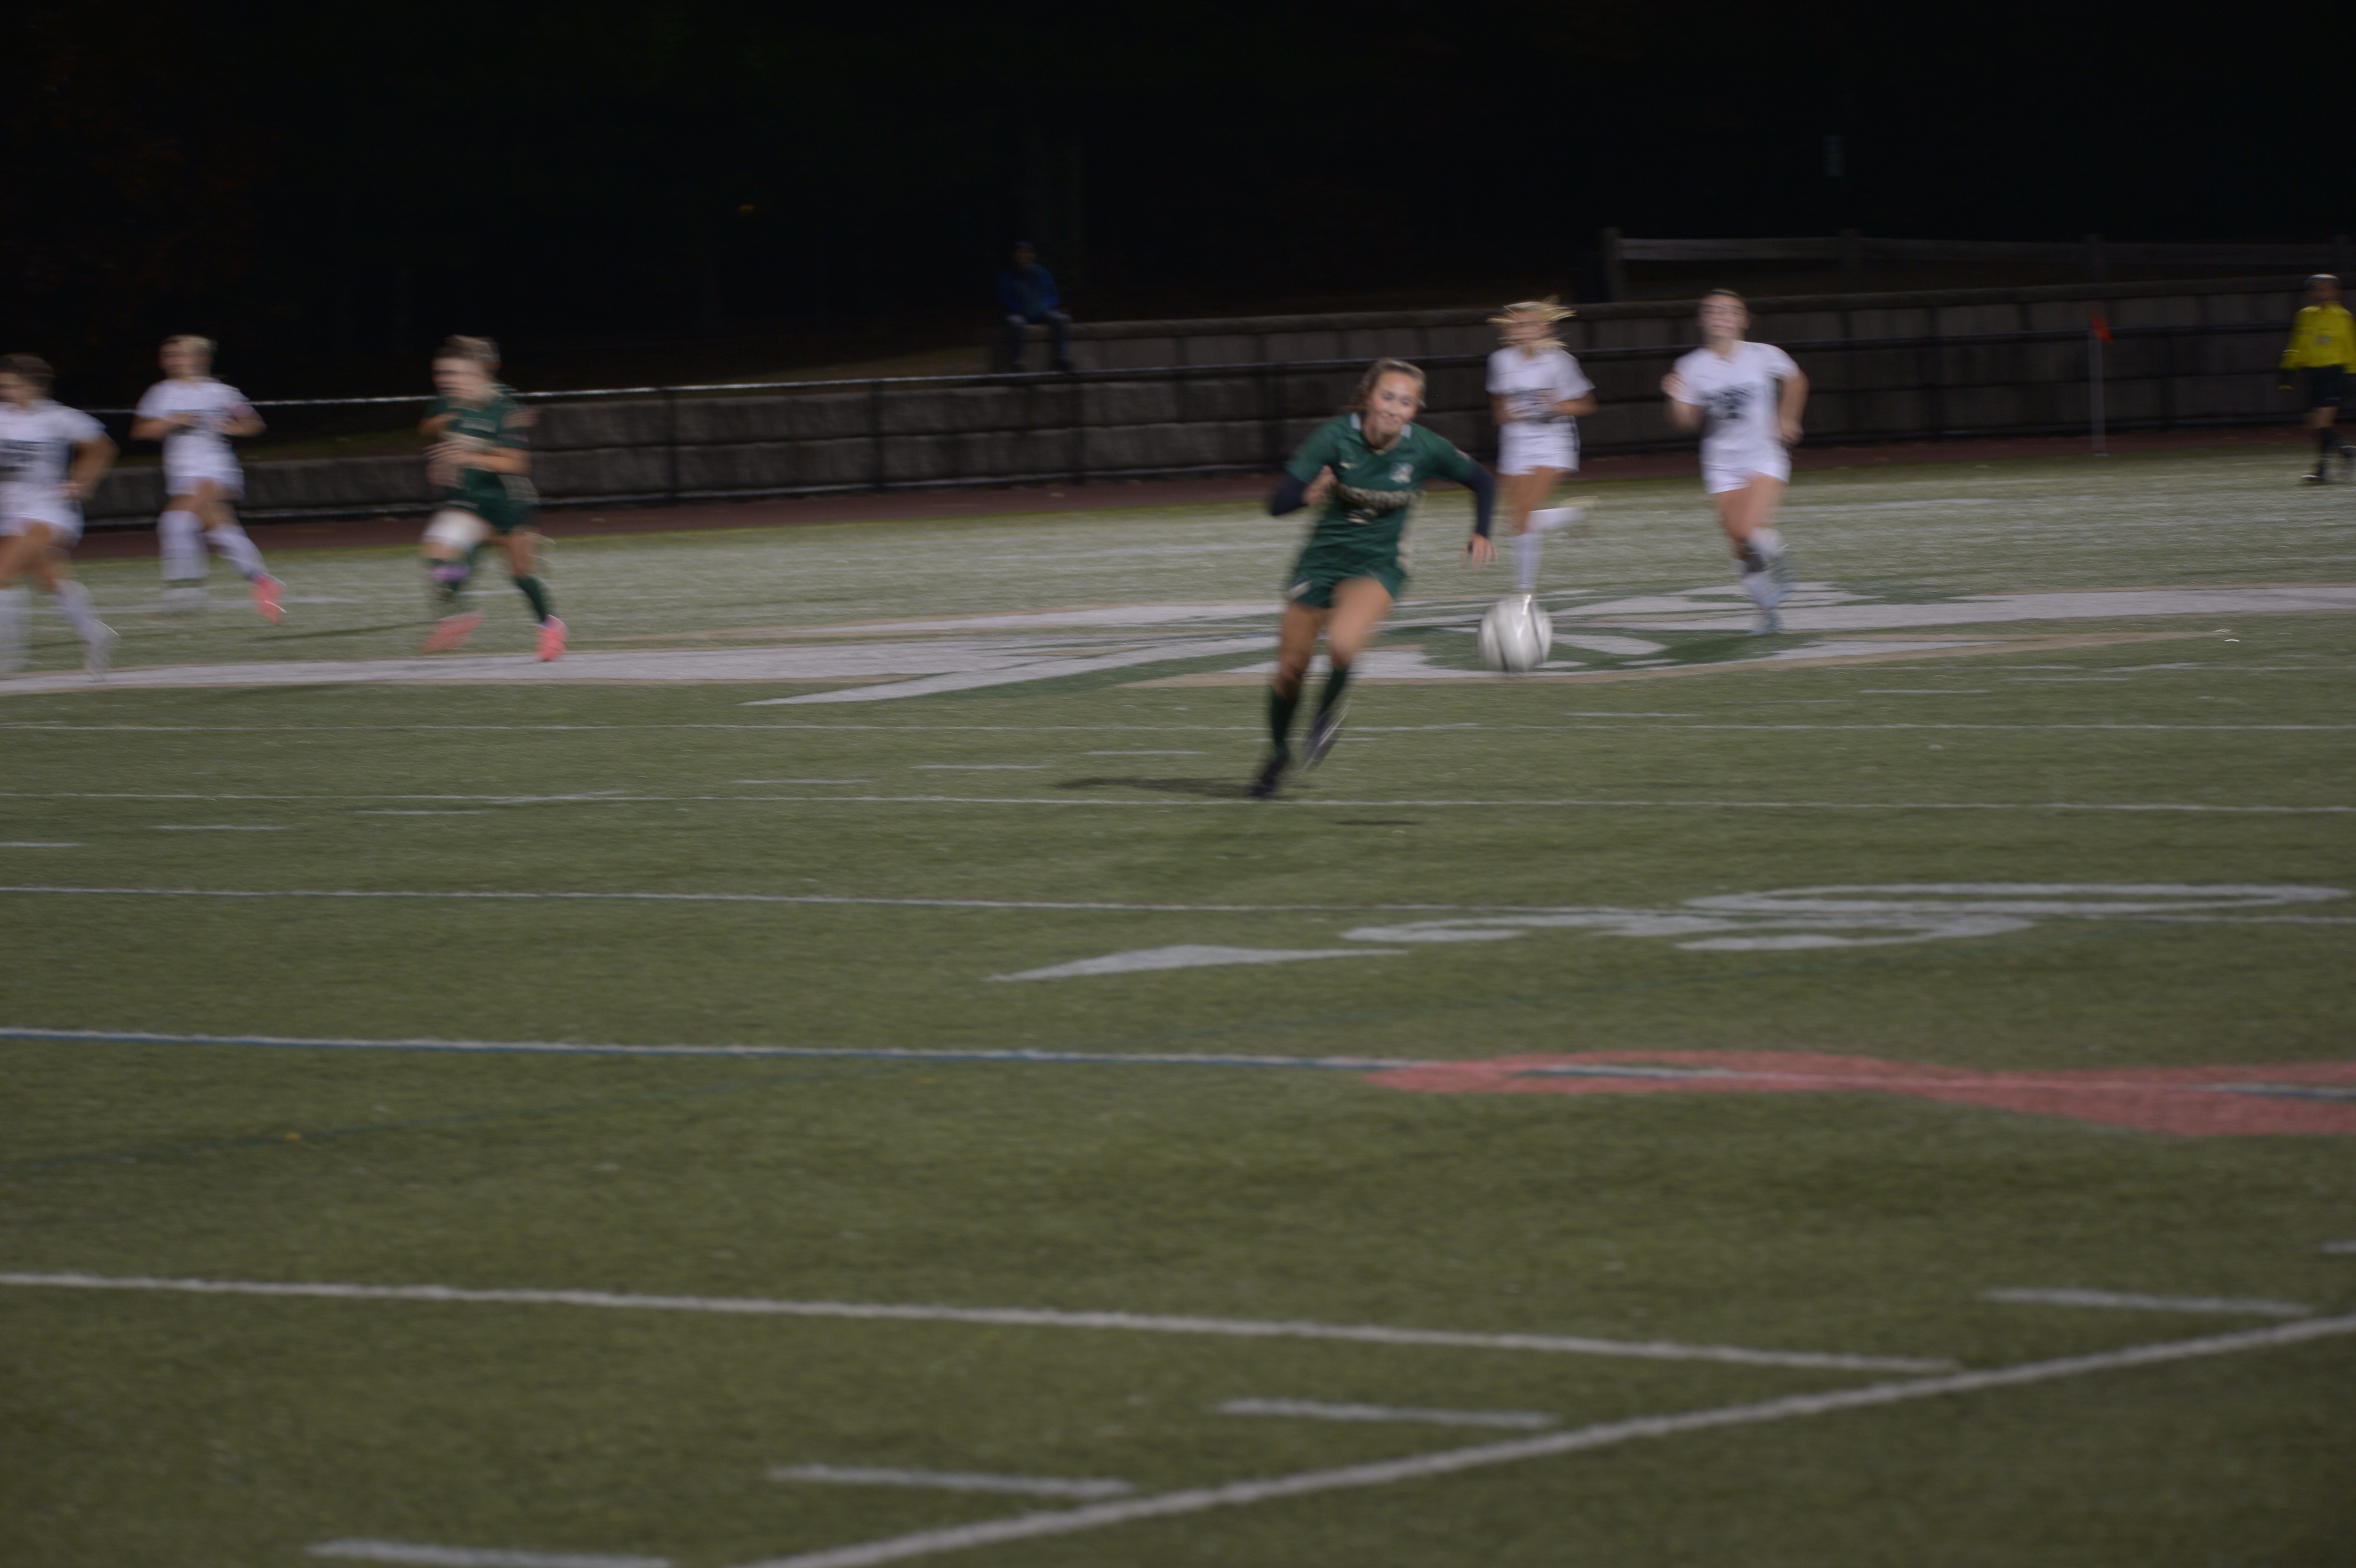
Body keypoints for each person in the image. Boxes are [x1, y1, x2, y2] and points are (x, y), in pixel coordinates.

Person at [1252, 358, 1497, 799]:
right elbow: (1277, 504)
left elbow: (1483, 481)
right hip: (1322, 561)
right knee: (1290, 671)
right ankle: (1277, 755)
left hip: (1380, 564)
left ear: (1415, 410)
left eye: (1405, 402)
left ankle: (1327, 711)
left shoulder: (1424, 448)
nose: (1394, 408)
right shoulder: (1335, 436)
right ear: (1368, 397)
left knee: (1343, 644)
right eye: (1387, 397)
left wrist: (1481, 531)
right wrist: (1308, 495)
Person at [1660, 290, 1809, 633]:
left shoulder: (1763, 354)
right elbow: (1686, 422)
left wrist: (1789, 417)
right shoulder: (1691, 366)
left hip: (1763, 454)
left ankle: (1781, 558)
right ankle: (1767, 613)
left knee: (1748, 530)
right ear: (1702, 319)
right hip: (1721, 462)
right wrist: (1676, 401)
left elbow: (1796, 380)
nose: (1721, 317)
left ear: (1744, 320)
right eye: (1713, 311)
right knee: (1740, 544)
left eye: (1730, 311)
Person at [415, 336, 564, 660]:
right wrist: (443, 455)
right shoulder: (450, 405)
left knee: (521, 574)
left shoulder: (504, 409)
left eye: (454, 373)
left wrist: (469, 455)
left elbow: (518, 465)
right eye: (441, 374)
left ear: (477, 373)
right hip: (470, 502)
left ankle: (550, 626)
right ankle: (458, 615)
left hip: (508, 504)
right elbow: (429, 429)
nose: (445, 381)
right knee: (439, 552)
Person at [131, 335, 281, 621]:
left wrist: (231, 427)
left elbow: (253, 424)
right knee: (222, 532)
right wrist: (171, 421)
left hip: (215, 468)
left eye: (181, 355)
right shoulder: (160, 393)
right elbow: (140, 431)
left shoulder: (221, 392)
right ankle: (263, 581)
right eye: (169, 356)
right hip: (181, 473)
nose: (174, 361)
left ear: (202, 359)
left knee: (174, 522)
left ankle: (184, 596)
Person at [0, 354, 119, 674]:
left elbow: (103, 448)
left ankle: (8, 658)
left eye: (12, 386)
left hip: (49, 510)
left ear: (34, 386)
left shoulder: (59, 417)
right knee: (50, 578)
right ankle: (96, 635)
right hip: (10, 512)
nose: (6, 392)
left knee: (1, 573)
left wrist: (82, 482)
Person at [1486, 297, 1595, 594]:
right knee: (1516, 521)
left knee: (1523, 516)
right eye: (1517, 325)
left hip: (1552, 441)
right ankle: (1571, 515)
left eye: (1530, 324)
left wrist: (1559, 405)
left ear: (1545, 328)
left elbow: (1586, 404)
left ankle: (1524, 591)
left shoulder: (1561, 362)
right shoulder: (1500, 361)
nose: (1523, 330)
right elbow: (1498, 402)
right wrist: (1503, 413)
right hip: (1516, 442)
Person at [2277, 273, 2356, 483]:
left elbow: (2351, 346)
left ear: (2336, 291)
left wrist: (2352, 374)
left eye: (2327, 288)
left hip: (2335, 373)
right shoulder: (2305, 315)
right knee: (2316, 424)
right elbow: (2297, 345)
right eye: (2318, 288)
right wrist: (2288, 369)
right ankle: (2330, 464)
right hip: (2313, 374)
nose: (2322, 292)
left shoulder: (2343, 316)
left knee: (2322, 422)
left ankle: (2342, 454)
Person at [998, 242, 1074, 373]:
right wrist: (1023, 311)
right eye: (1020, 253)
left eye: (1027, 253)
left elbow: (1053, 296)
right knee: (1015, 323)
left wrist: (1046, 308)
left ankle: (1062, 357)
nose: (1024, 256)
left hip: (1042, 312)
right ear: (1014, 256)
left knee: (1062, 319)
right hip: (1020, 313)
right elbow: (1007, 299)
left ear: (1033, 256)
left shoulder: (1042, 273)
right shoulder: (1007, 276)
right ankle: (1017, 360)